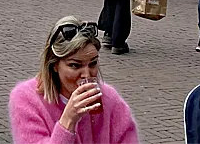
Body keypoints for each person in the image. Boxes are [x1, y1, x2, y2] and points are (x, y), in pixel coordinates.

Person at [8, 17, 140, 144]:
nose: (86, 74)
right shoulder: (27, 99)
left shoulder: (109, 98)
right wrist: (68, 121)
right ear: (54, 64)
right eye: (75, 65)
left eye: (93, 64)